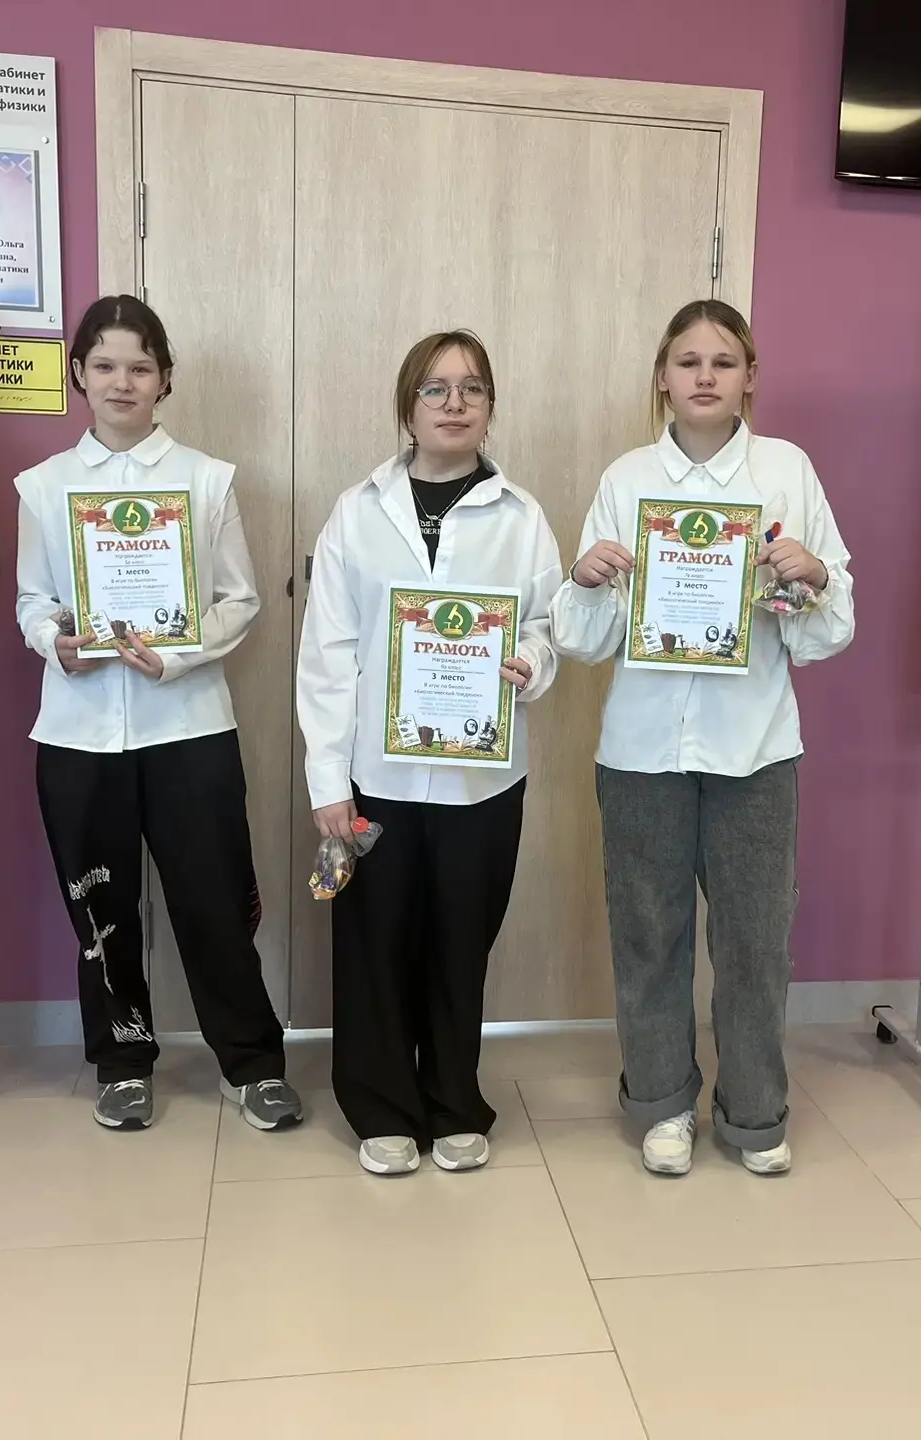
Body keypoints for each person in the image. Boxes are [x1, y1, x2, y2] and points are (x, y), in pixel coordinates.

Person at [551, 299, 855, 1177]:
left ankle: (754, 1113)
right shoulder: (626, 480)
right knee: (648, 935)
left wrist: (815, 576)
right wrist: (586, 580)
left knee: (755, 943)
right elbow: (585, 639)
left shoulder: (787, 473)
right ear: (662, 377)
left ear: (750, 376)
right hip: (642, 750)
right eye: (688, 362)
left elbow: (828, 632)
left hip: (755, 748)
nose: (705, 376)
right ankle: (662, 1105)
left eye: (724, 361)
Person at [13, 295, 299, 1134]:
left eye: (140, 366)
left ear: (165, 379)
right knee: (100, 911)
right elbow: (32, 601)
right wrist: (56, 644)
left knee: (214, 904)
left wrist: (176, 654)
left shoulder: (207, 480)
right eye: (104, 365)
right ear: (79, 374)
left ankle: (251, 1063)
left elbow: (240, 599)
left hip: (190, 729)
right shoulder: (44, 487)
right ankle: (123, 1062)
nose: (122, 381)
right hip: (78, 732)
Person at [297, 331, 561, 1175]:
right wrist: (327, 780)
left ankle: (453, 1101)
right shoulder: (358, 510)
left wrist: (532, 663)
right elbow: (328, 653)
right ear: (407, 408)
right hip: (376, 777)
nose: (454, 403)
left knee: (459, 944)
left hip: (483, 780)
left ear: (490, 407)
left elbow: (547, 625)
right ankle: (380, 1106)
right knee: (373, 941)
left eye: (471, 388)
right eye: (435, 388)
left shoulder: (521, 517)